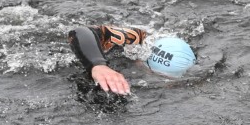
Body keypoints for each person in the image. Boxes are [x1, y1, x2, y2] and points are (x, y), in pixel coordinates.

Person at [68, 24, 196, 96]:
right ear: (142, 61)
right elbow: (79, 31)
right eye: (152, 74)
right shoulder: (135, 39)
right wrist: (98, 64)